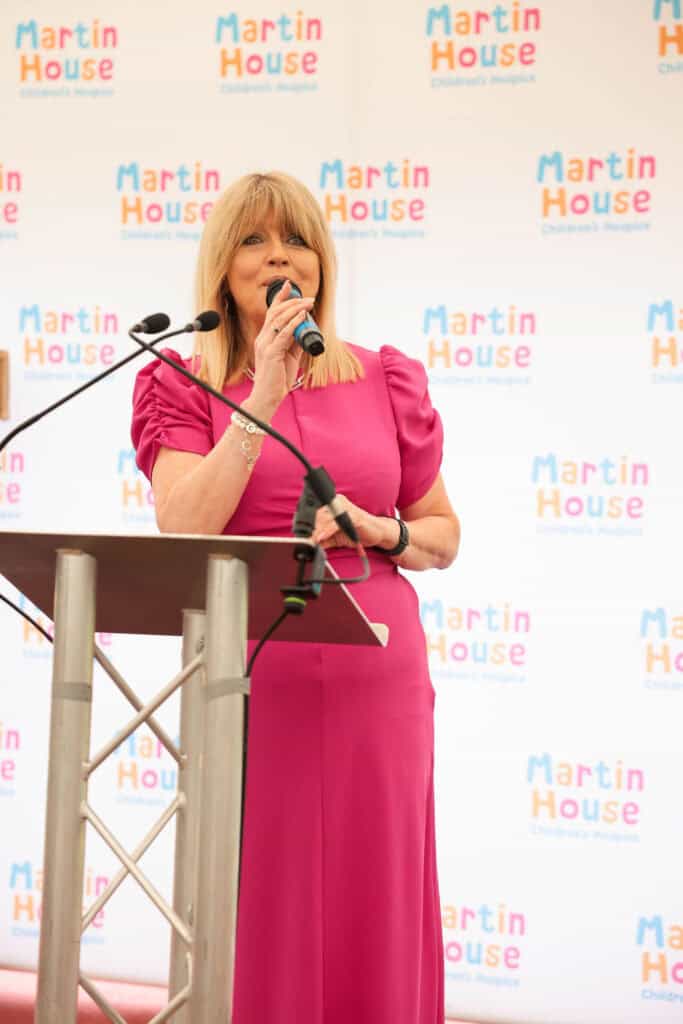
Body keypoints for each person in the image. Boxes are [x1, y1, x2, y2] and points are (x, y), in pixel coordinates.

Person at [131, 171, 460, 1024]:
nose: (279, 257)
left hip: (376, 673)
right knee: (260, 892)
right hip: (249, 674)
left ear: (321, 264)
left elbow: (440, 535)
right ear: (222, 265)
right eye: (254, 240)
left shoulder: (386, 376)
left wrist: (378, 530)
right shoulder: (182, 382)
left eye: (296, 240)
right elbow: (184, 522)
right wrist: (264, 393)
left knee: (374, 889)